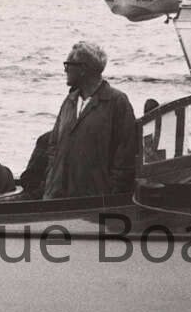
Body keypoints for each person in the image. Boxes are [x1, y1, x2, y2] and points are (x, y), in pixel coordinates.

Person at [43, 40, 139, 200]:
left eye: (68, 65)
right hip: (58, 197)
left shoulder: (117, 102)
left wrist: (111, 194)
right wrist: (51, 182)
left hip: (95, 200)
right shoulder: (70, 101)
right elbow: (53, 146)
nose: (65, 70)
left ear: (83, 69)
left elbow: (125, 158)